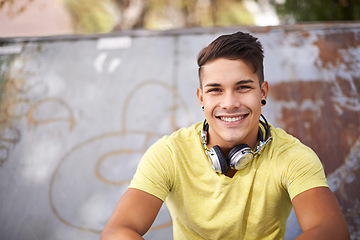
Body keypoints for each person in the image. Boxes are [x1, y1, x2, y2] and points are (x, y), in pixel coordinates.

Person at [100, 32, 349, 240]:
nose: (229, 103)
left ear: (263, 92)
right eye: (216, 90)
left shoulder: (293, 156)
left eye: (243, 87)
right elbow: (117, 231)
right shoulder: (170, 153)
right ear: (201, 98)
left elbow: (332, 231)